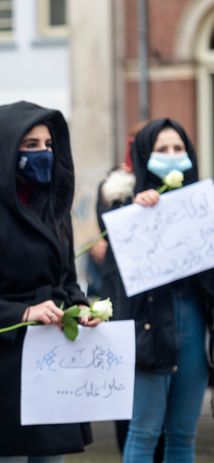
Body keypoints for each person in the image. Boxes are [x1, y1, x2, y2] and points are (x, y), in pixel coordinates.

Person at [0, 101, 100, 462]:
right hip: (5, 368)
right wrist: (23, 313)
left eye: (48, 144)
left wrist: (81, 307)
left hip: (55, 359)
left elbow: (68, 281)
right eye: (31, 145)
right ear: (6, 148)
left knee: (51, 458)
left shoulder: (56, 214)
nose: (43, 152)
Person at [101, 118, 213, 463]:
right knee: (144, 431)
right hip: (149, 327)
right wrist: (135, 213)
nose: (172, 155)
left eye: (178, 148)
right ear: (143, 155)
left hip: (193, 320)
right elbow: (116, 274)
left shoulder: (204, 206)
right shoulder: (125, 206)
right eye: (161, 149)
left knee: (183, 434)